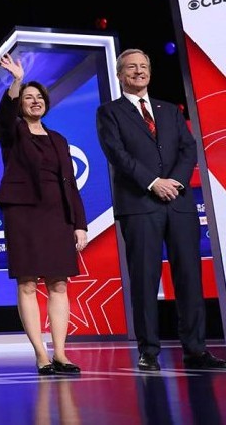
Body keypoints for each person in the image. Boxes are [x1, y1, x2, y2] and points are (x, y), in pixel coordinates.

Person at [96, 48, 226, 372]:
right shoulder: (108, 113)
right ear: (119, 74)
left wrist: (176, 182)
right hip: (140, 206)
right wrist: (153, 182)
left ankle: (196, 350)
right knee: (144, 280)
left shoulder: (168, 111)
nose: (139, 72)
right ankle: (148, 352)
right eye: (131, 67)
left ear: (150, 72)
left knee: (190, 278)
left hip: (178, 203)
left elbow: (188, 148)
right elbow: (117, 153)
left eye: (144, 66)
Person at [0, 53, 88, 375]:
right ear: (21, 103)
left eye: (39, 98)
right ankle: (41, 354)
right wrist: (17, 81)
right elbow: (5, 116)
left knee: (59, 284)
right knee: (27, 284)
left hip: (56, 215)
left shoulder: (59, 139)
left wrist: (79, 224)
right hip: (24, 213)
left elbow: (71, 185)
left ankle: (61, 353)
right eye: (28, 98)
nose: (34, 102)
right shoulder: (14, 133)